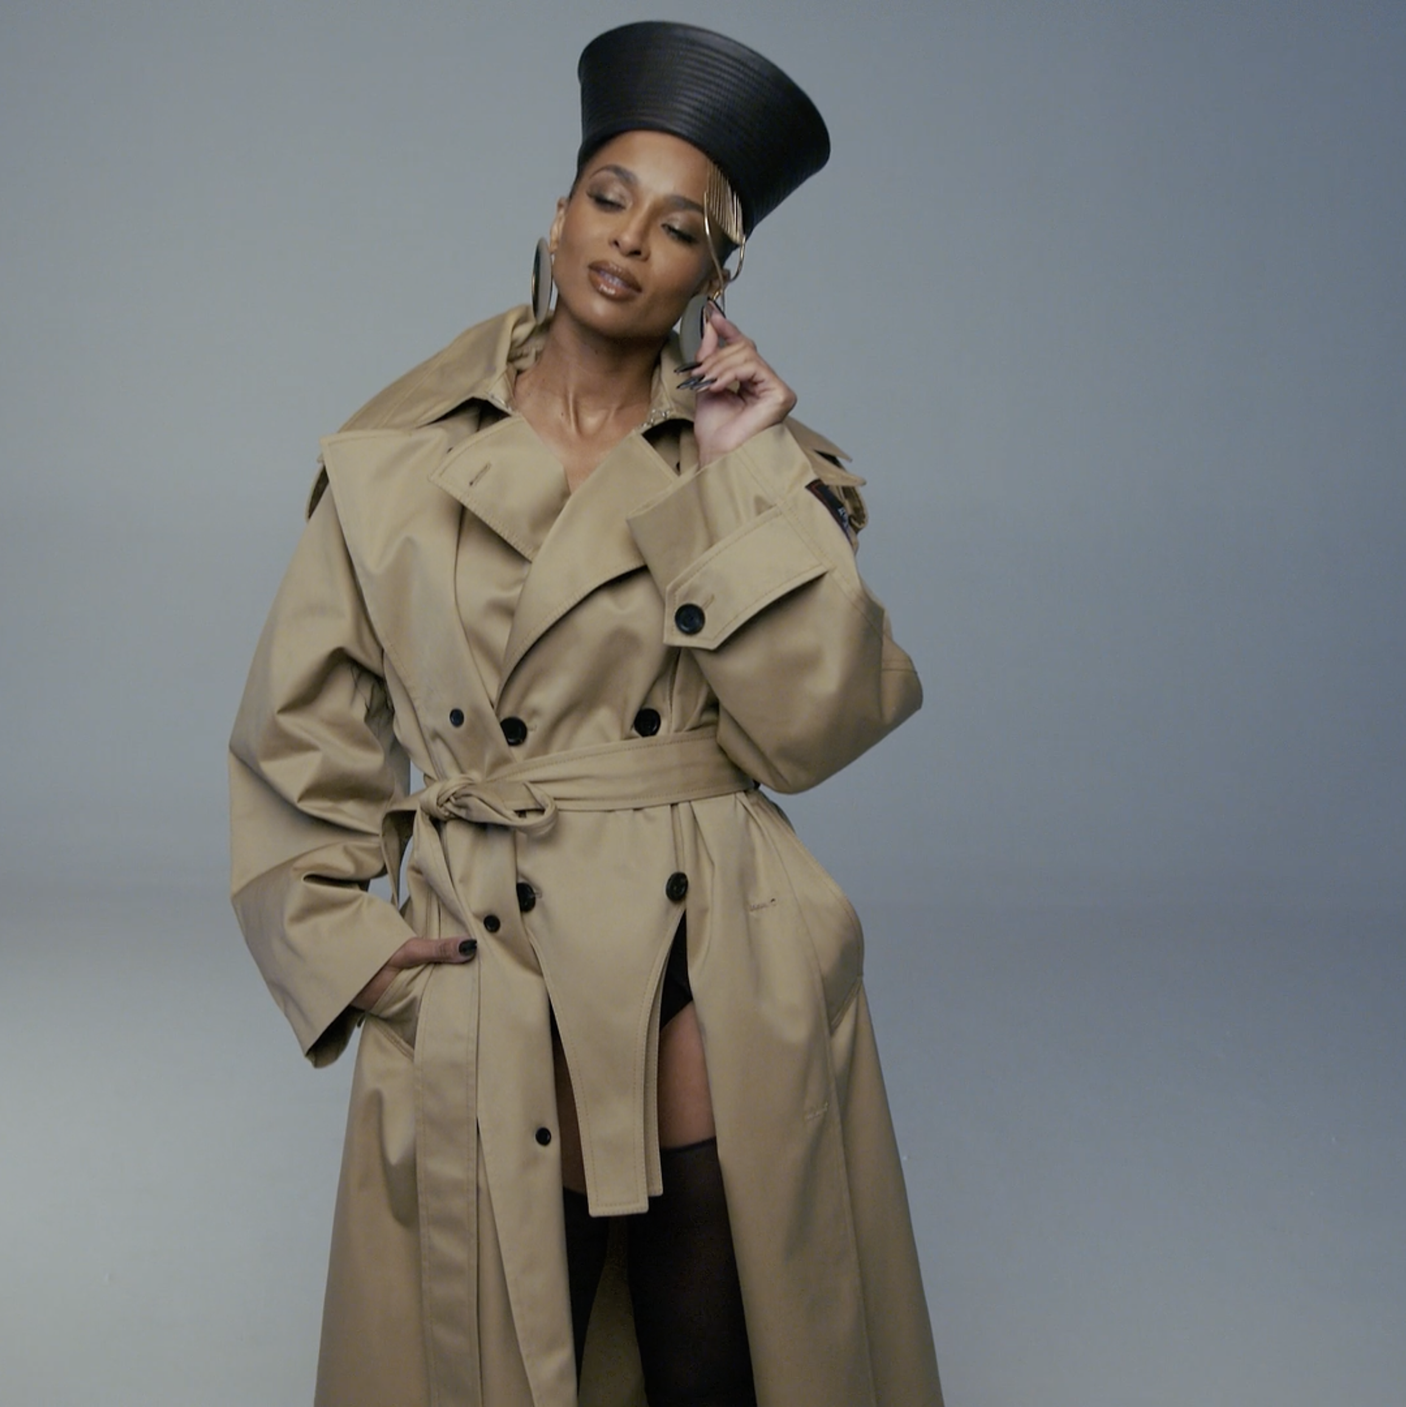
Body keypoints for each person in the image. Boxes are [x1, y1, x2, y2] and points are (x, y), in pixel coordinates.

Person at [229, 22, 941, 1406]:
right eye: (610, 196)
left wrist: (737, 475)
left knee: (720, 1358)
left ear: (717, 276)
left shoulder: (755, 463)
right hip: (489, 946)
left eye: (681, 227)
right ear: (558, 213)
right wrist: (356, 955)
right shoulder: (390, 463)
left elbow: (816, 730)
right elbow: (295, 743)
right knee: (497, 1356)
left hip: (709, 944)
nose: (630, 239)